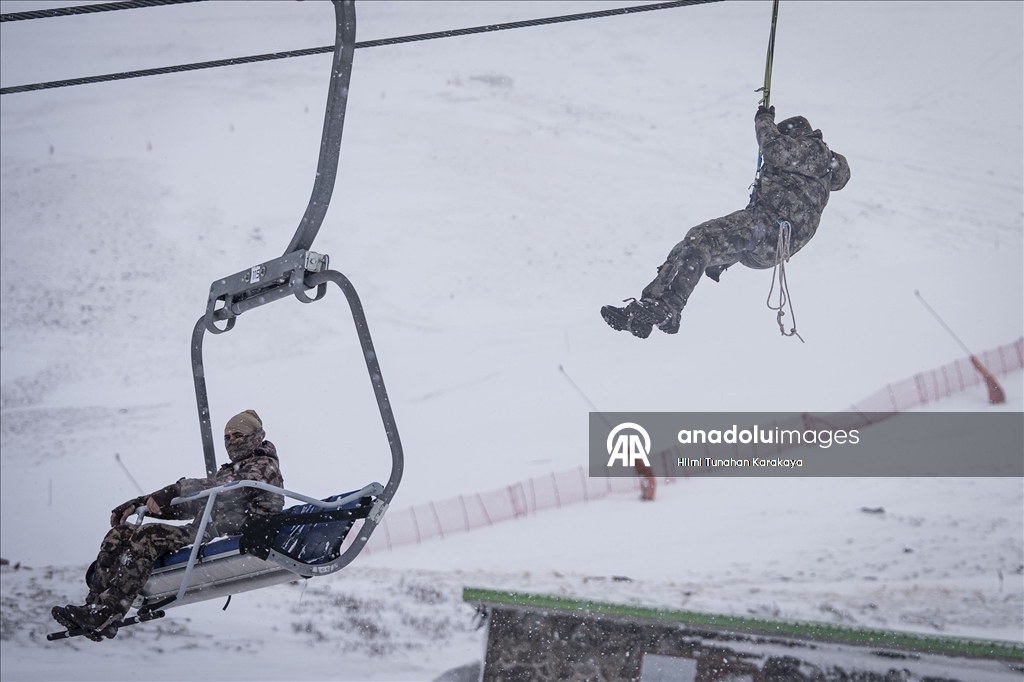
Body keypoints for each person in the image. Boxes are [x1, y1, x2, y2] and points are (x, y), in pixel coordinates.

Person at [601, 105, 850, 338]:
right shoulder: (816, 168)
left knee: (702, 237)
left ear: (797, 135)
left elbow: (774, 148)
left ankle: (670, 307)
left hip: (770, 230)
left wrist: (764, 120)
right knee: (689, 247)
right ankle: (648, 308)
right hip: (767, 243)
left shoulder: (815, 151)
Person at [51, 410, 284, 641]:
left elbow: (230, 488)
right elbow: (192, 505)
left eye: (238, 435)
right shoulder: (231, 471)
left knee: (148, 536)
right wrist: (141, 503)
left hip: (229, 534)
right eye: (227, 437)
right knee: (120, 534)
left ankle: (109, 613)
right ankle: (93, 607)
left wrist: (176, 490)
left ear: (255, 438)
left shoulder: (264, 466)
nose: (231, 442)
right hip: (202, 530)